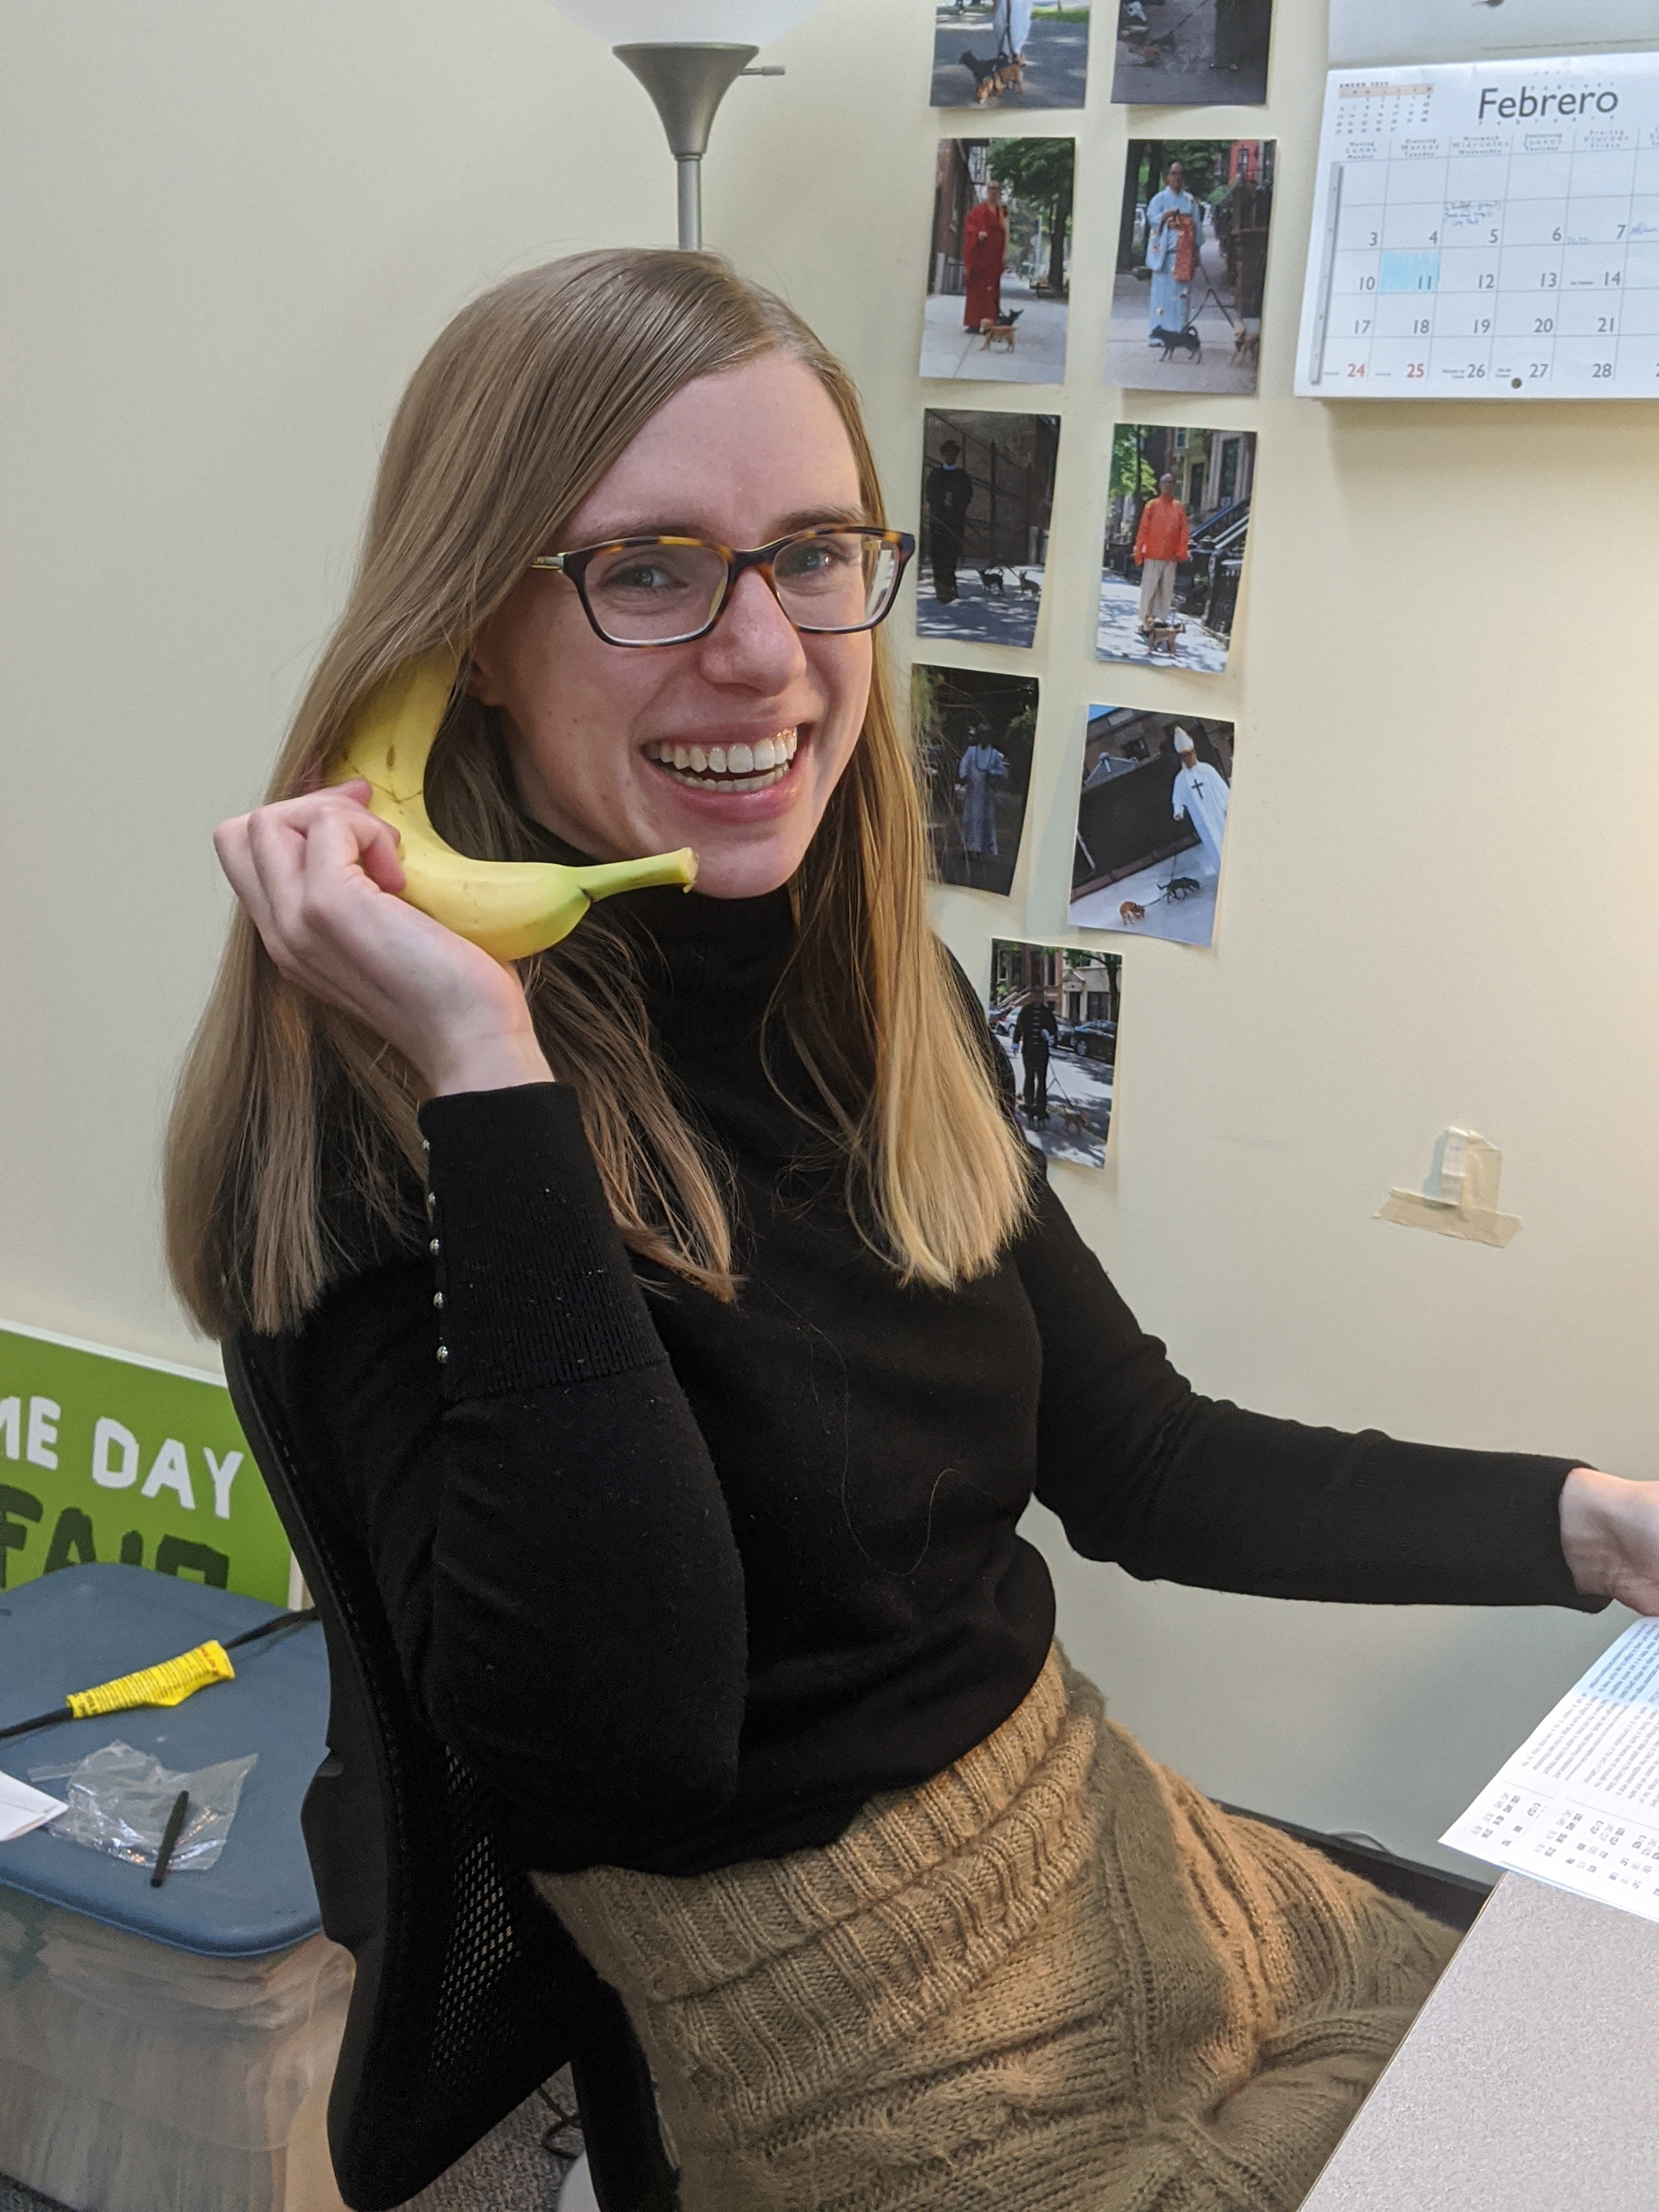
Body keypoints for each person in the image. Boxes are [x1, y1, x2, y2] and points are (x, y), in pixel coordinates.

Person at [168, 250, 1659, 2212]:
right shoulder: (404, 1137)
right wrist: (479, 1048)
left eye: (807, 552)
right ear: (466, 637)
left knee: (1592, 2095)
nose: (765, 652)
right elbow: (622, 1756)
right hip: (856, 2047)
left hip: (1131, 1866)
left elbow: (1134, 1456)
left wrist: (1588, 1519)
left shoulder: (851, 984)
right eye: (647, 568)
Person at [1146, 157, 1201, 342]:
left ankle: (1180, 337)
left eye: (1180, 174)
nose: (1177, 178)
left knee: (1181, 298)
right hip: (1165, 256)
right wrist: (1165, 216)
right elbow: (1151, 218)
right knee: (1161, 299)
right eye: (1173, 174)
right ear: (1167, 178)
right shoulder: (1160, 199)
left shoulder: (1190, 201)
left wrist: (1196, 253)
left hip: (1184, 256)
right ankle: (1158, 337)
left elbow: (1198, 230)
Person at [1133, 470, 1190, 635]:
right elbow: (1143, 529)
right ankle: (1145, 625)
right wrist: (1139, 553)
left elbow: (1183, 532)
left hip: (1170, 558)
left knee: (1166, 593)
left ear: (1174, 486)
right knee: (1149, 592)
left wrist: (1181, 552)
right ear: (1160, 486)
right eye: (1165, 483)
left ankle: (1160, 624)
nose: (1168, 486)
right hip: (1152, 555)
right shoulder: (1152, 505)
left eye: (1171, 483)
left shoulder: (1178, 507)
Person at [1171, 725, 1231, 875]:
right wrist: (1178, 812)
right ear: (1181, 758)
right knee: (1214, 849)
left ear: (1195, 753)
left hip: (1219, 816)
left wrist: (1230, 807)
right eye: (1184, 756)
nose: (1188, 758)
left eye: (1190, 754)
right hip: (1203, 822)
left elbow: (1223, 790)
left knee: (1228, 844)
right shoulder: (1181, 779)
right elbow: (1178, 799)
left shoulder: (1208, 770)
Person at [923, 436, 973, 603]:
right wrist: (941, 505)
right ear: (942, 456)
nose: (949, 457)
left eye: (953, 454)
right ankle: (941, 591)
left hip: (955, 523)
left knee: (951, 557)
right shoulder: (935, 475)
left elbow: (967, 496)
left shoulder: (962, 476)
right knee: (938, 557)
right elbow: (930, 495)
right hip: (938, 523)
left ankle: (951, 588)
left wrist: (956, 507)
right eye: (947, 454)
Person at [961, 179, 1008, 332]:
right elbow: (969, 228)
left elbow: (1006, 234)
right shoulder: (978, 211)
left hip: (994, 259)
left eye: (996, 191)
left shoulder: (1002, 213)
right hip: (980, 258)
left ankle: (989, 324)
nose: (993, 194)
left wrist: (1005, 254)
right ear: (987, 192)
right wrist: (977, 235)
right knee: (976, 290)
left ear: (999, 193)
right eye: (991, 191)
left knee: (992, 291)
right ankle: (974, 323)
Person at [955, 729, 1007, 865]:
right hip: (972, 795)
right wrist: (964, 777)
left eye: (987, 736)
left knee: (984, 822)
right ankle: (968, 848)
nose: (984, 738)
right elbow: (963, 767)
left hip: (986, 796)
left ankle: (979, 850)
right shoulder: (971, 752)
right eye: (982, 735)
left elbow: (1001, 770)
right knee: (969, 821)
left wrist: (993, 775)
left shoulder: (994, 754)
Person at [1012, 989, 1058, 1123]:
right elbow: (1018, 1028)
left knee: (1042, 1080)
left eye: (1040, 995)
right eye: (1036, 995)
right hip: (1028, 1051)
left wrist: (1047, 1032)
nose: (1038, 997)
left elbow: (1054, 1028)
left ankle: (1041, 1109)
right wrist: (1015, 1042)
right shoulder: (1025, 1011)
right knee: (1029, 1078)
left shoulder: (1046, 1012)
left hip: (1042, 1052)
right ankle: (1029, 1105)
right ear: (1033, 996)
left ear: (1043, 997)